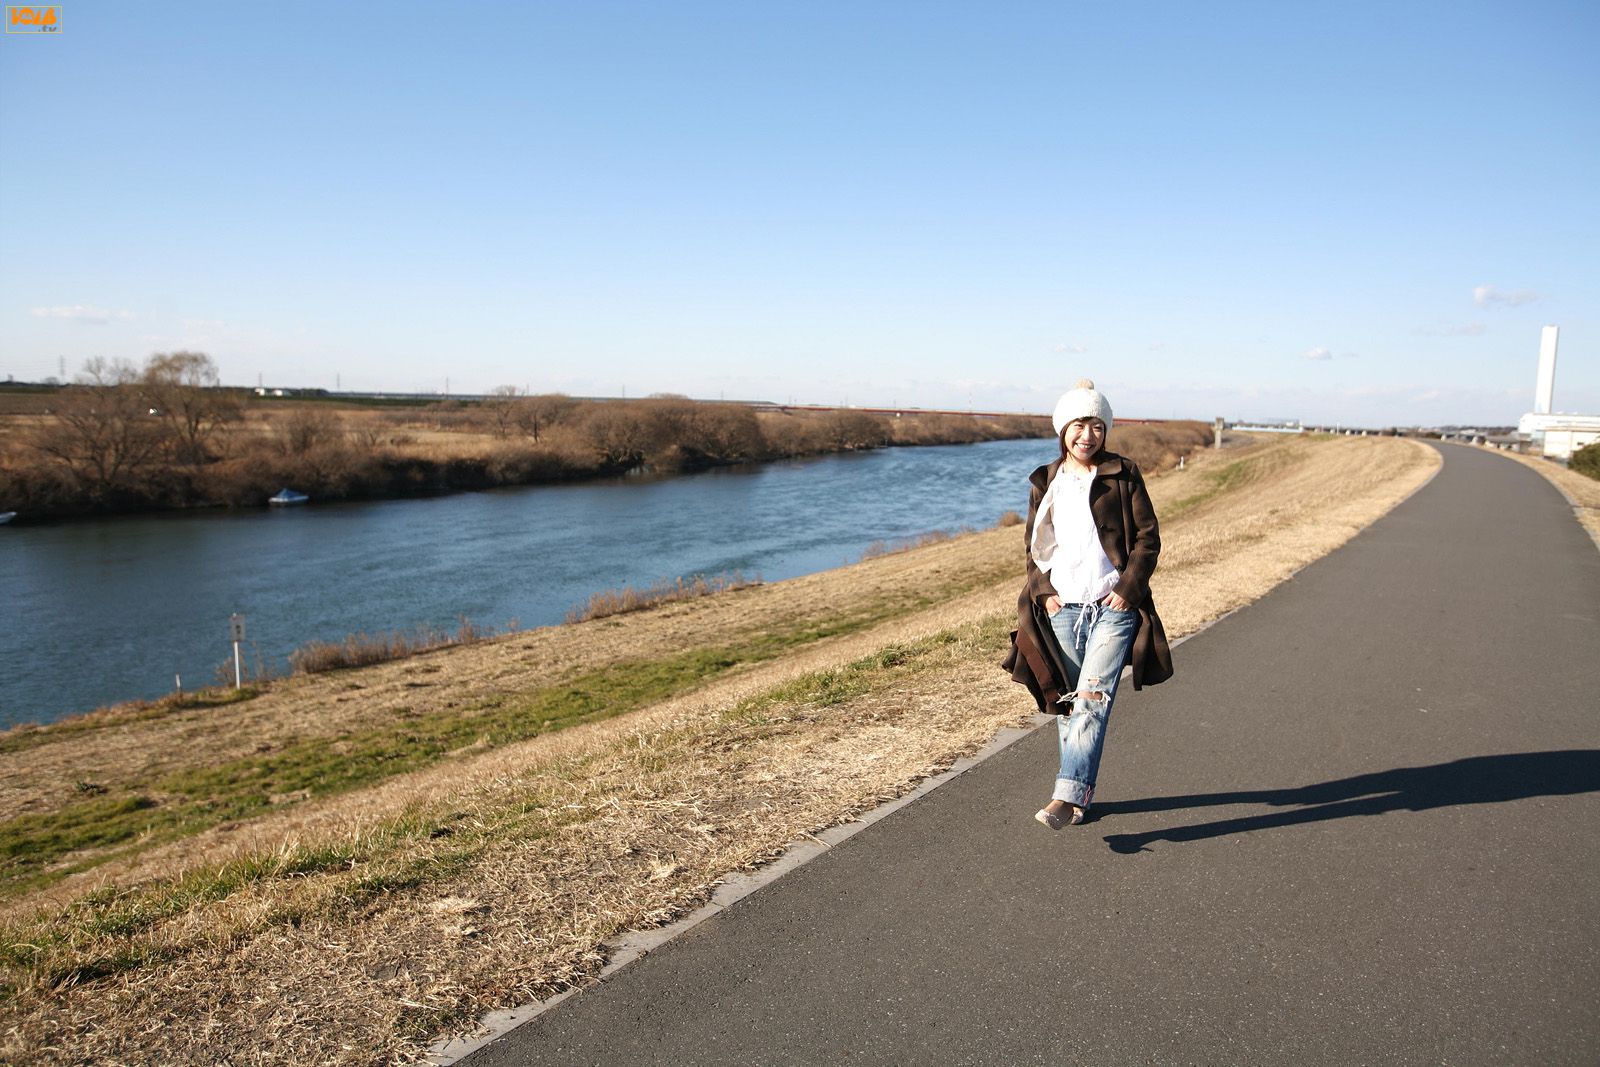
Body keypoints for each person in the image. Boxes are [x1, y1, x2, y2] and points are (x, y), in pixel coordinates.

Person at [1001, 379, 1173, 828]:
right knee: (1070, 703)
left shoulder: (1122, 473)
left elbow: (1147, 539)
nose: (1088, 435)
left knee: (1093, 698)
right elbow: (1034, 548)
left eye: (1097, 425)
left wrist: (1127, 592)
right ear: (1063, 429)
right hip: (1063, 608)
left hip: (1112, 607)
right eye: (1079, 424)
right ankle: (1080, 798)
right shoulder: (1046, 480)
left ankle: (1064, 796)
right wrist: (1046, 595)